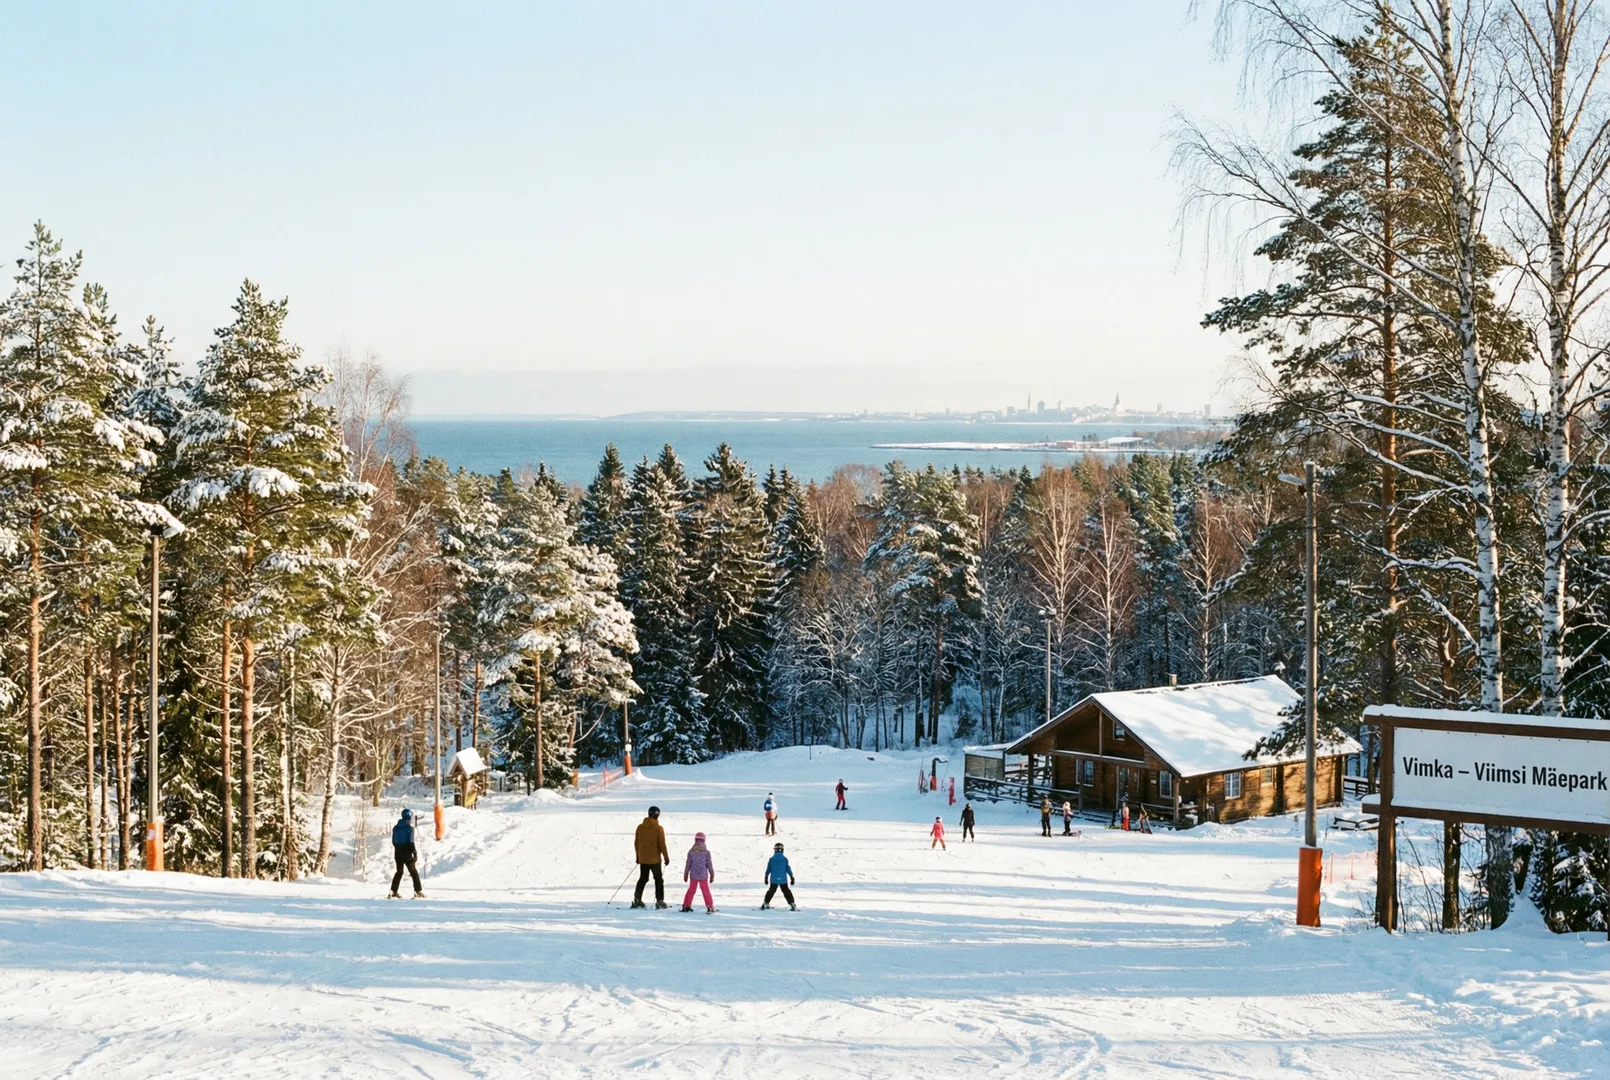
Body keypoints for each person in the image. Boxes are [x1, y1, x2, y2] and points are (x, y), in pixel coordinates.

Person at [632, 805, 670, 909]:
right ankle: (659, 901)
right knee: (658, 879)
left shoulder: (640, 827)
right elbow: (662, 844)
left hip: (643, 859)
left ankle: (637, 899)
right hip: (655, 860)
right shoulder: (659, 829)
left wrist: (638, 857)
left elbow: (637, 843)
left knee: (643, 879)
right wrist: (666, 857)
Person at [389, 808, 424, 898]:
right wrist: (414, 853)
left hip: (397, 852)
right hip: (407, 853)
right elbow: (411, 842)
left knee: (399, 872)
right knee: (413, 872)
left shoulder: (395, 828)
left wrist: (398, 848)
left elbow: (393, 841)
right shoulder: (410, 829)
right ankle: (418, 891)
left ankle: (393, 891)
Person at [681, 831, 717, 912]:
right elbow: (709, 865)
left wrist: (686, 874)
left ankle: (686, 905)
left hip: (693, 875)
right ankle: (710, 906)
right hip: (703, 875)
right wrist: (712, 874)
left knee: (691, 890)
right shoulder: (706, 853)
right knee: (705, 891)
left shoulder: (691, 852)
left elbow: (688, 864)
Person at [761, 842, 796, 910]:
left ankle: (766, 903)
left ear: (775, 850)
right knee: (786, 892)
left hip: (774, 879)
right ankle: (792, 904)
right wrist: (792, 877)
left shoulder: (772, 859)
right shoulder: (784, 859)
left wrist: (766, 877)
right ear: (782, 850)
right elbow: (788, 869)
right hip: (783, 880)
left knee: (771, 891)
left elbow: (768, 869)